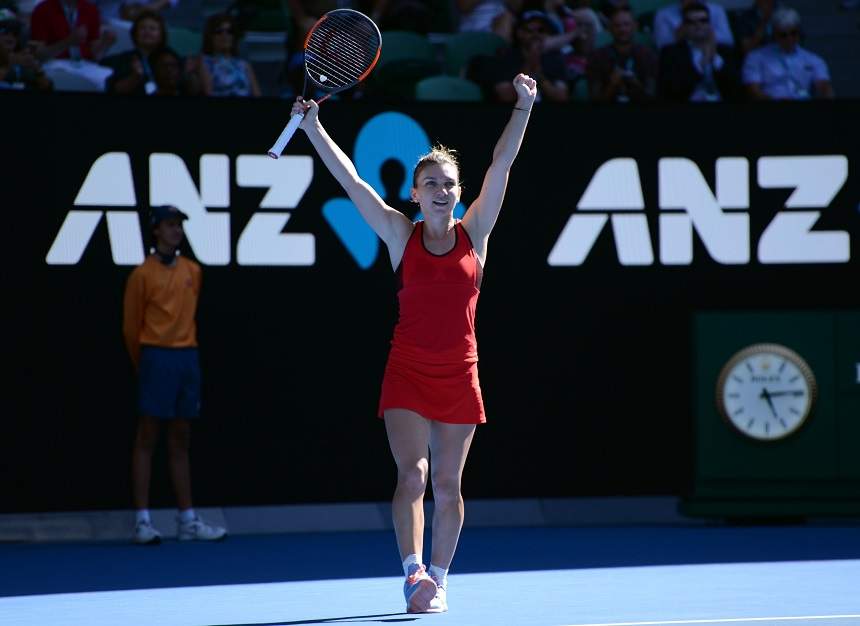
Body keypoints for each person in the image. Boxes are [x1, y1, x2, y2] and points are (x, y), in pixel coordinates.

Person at [290, 73, 536, 613]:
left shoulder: (477, 233)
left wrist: (523, 105)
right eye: (430, 184)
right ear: (415, 194)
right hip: (407, 370)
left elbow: (502, 165)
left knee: (448, 484)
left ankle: (440, 580)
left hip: (460, 372)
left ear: (457, 192)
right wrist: (312, 128)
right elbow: (353, 181)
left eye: (448, 184)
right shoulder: (400, 235)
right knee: (413, 474)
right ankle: (412, 572)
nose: (441, 191)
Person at [123, 205, 227, 545]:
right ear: (156, 230)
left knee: (181, 438)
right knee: (147, 436)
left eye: (179, 225)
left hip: (187, 358)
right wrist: (147, 361)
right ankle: (142, 521)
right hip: (156, 357)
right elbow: (130, 327)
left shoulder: (192, 271)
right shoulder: (142, 275)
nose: (176, 231)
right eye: (169, 225)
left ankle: (187, 519)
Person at [469, 10, 568, 102]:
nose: (536, 34)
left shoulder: (554, 58)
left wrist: (539, 75)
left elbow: (561, 97)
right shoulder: (505, 57)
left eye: (541, 30)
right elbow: (507, 96)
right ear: (519, 33)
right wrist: (529, 67)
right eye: (530, 30)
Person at [741, 7, 834, 100]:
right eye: (783, 35)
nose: (789, 38)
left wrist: (826, 92)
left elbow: (824, 85)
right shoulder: (756, 57)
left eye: (793, 33)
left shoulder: (813, 59)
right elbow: (753, 91)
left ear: (799, 33)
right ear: (774, 34)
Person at [657, 1, 740, 102]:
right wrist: (703, 62)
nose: (698, 25)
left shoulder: (725, 51)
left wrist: (714, 60)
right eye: (691, 22)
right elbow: (674, 90)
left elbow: (735, 88)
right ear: (684, 26)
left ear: (710, 24)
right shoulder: (671, 54)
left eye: (703, 20)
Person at [586, 6, 656, 102]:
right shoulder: (597, 57)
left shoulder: (647, 55)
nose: (622, 29)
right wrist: (612, 85)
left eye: (626, 24)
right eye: (617, 25)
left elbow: (653, 97)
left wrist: (635, 83)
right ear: (610, 28)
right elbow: (594, 99)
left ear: (635, 26)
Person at [101, 8, 172, 94]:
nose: (147, 31)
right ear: (135, 34)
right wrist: (135, 77)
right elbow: (114, 89)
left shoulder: (171, 59)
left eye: (152, 28)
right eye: (142, 28)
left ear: (161, 35)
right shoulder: (123, 59)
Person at [197, 13, 260, 97]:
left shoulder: (244, 65)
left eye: (229, 31)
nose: (225, 35)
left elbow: (257, 94)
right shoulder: (204, 62)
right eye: (219, 32)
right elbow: (208, 91)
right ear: (210, 36)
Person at [29, 0, 116, 60]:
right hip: (54, 64)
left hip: (84, 65)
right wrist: (68, 42)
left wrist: (105, 43)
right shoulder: (43, 10)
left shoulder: (91, 10)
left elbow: (93, 56)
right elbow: (37, 55)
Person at [0, 7, 53, 89]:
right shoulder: (16, 59)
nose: (10, 35)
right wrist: (10, 62)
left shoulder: (24, 58)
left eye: (15, 31)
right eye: (4, 31)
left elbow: (47, 88)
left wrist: (36, 69)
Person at [652, 0, 733, 50]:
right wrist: (679, 35)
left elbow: (728, 40)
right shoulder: (663, 15)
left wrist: (705, 34)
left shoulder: (716, 10)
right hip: (680, 61)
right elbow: (661, 46)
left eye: (703, 20)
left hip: (714, 54)